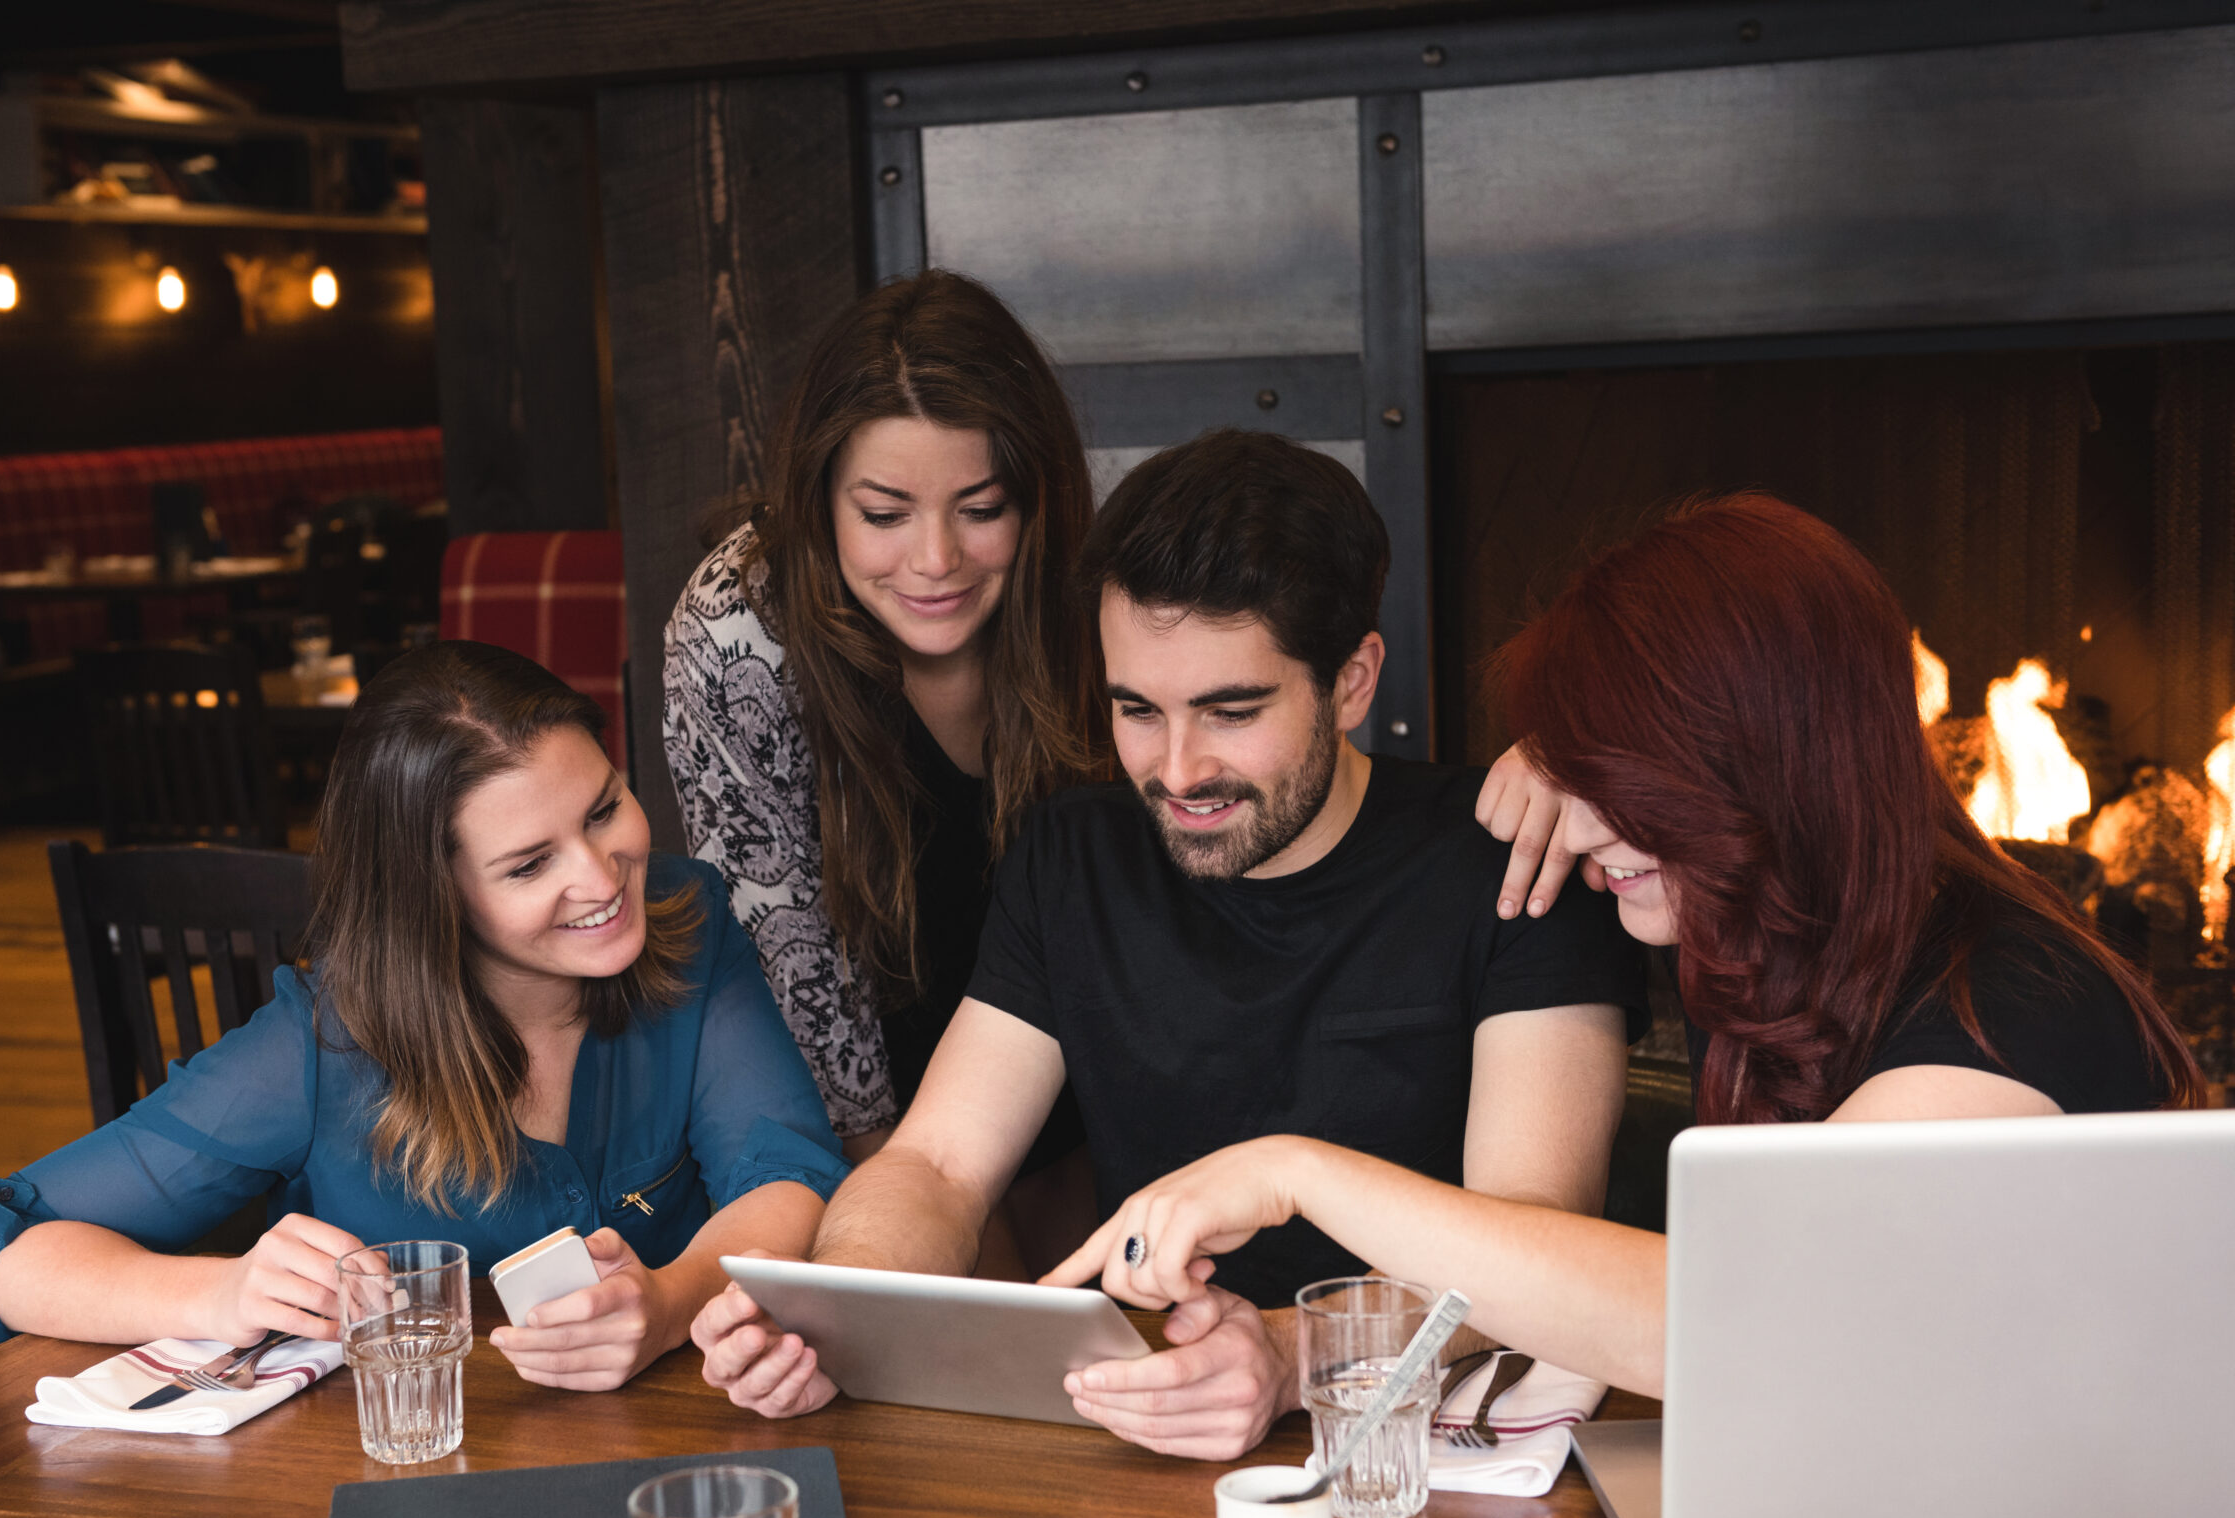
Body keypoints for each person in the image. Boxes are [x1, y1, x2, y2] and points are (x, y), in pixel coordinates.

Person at [1045, 493, 2202, 1400]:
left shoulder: (2006, 1008)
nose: (1580, 828)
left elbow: (1726, 1323)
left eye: (1617, 778)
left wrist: (1293, 1169)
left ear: (1753, 766)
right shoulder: (1782, 933)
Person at [691, 431, 1650, 1458]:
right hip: (1143, 1423)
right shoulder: (1072, 855)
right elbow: (934, 1162)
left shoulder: (1509, 860)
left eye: (1231, 710)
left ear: (1354, 679)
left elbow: (1534, 1236)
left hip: (1416, 1444)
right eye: (1137, 710)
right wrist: (839, 1305)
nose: (1179, 769)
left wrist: (1289, 1355)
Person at [0, 642, 849, 1392]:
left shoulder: (688, 922)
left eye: (605, 807)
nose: (605, 876)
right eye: (531, 864)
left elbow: (786, 1169)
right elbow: (7, 1250)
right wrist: (224, 1292)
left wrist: (669, 1301)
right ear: (432, 900)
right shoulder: (322, 1046)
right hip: (401, 1483)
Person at [661, 270, 1103, 1271]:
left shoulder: (1084, 588)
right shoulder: (739, 629)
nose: (937, 558)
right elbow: (796, 970)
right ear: (818, 497)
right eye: (886, 512)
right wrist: (927, 1216)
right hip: (878, 1115)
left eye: (981, 507)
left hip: (1084, 1071)